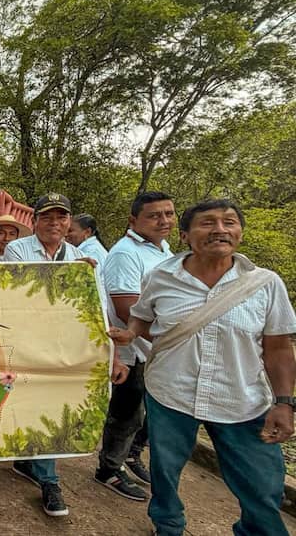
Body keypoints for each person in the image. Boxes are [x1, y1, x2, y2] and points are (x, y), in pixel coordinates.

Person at [110, 199, 296, 536]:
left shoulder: (265, 284)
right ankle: (167, 526)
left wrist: (284, 402)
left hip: (241, 399)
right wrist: (131, 333)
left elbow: (279, 347)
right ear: (185, 235)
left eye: (229, 222)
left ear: (240, 232)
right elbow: (141, 314)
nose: (220, 230)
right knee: (165, 472)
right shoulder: (162, 276)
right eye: (207, 223)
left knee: (262, 486)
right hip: (171, 394)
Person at [1, 193, 104, 518]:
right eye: (48, 217)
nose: (55, 223)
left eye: (61, 218)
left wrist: (111, 349)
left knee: (52, 406)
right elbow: (22, 288)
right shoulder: (17, 249)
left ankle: (49, 480)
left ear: (69, 222)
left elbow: (96, 306)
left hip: (61, 347)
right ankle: (27, 461)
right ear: (35, 221)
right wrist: (68, 275)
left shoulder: (81, 258)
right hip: (26, 342)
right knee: (21, 403)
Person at [94, 192, 176, 501]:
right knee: (126, 412)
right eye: (155, 215)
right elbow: (126, 307)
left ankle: (130, 457)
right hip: (131, 348)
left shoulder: (164, 250)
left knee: (144, 413)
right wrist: (169, 338)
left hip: (155, 347)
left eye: (168, 214)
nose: (164, 220)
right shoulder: (126, 253)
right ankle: (109, 469)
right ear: (133, 220)